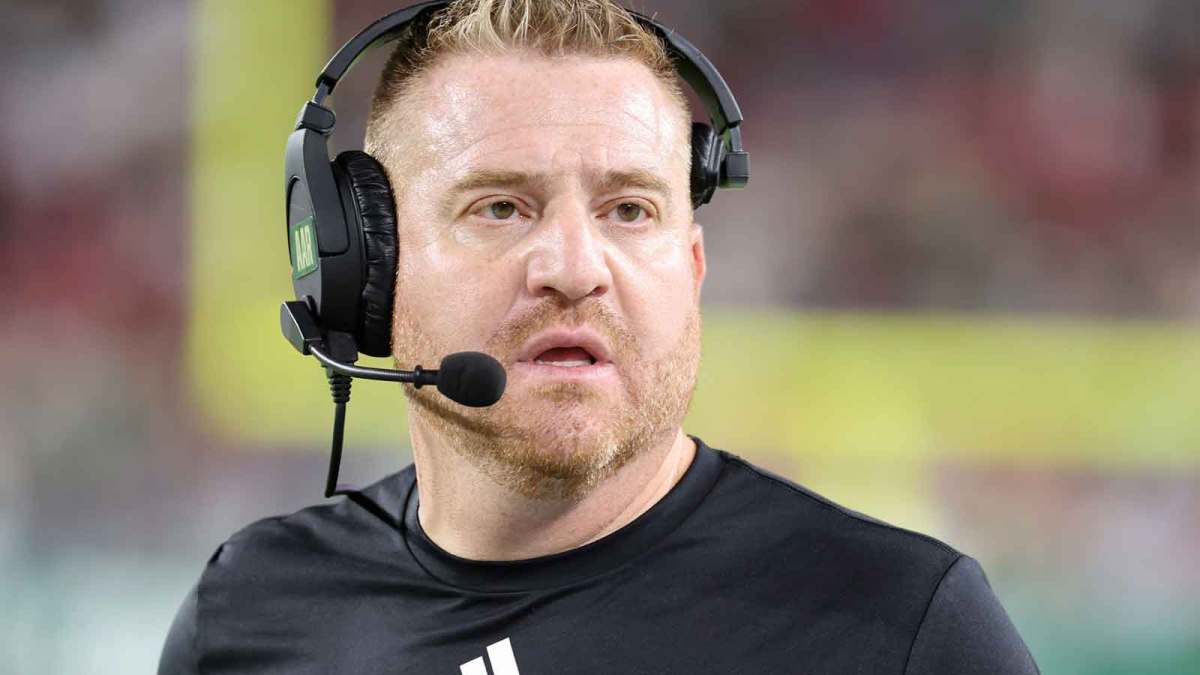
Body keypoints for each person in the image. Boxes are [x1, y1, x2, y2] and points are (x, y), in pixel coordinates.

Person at [160, 1, 1040, 672]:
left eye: (629, 209)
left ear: (692, 270)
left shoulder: (903, 630)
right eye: (500, 207)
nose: (576, 267)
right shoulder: (248, 613)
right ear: (367, 273)